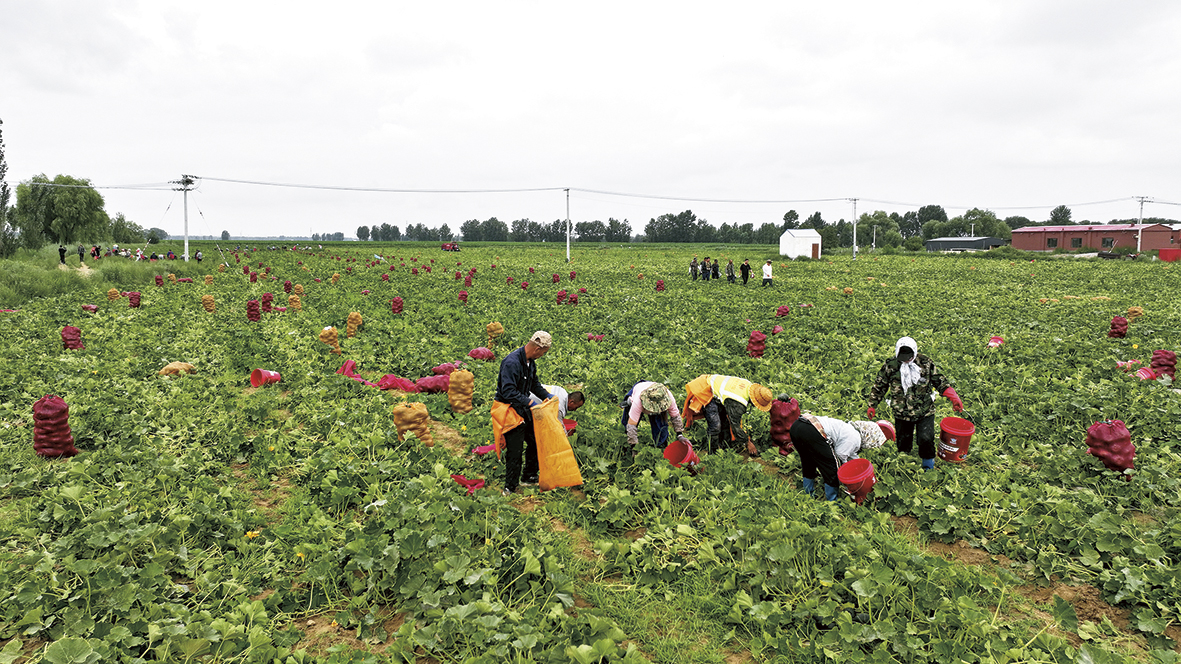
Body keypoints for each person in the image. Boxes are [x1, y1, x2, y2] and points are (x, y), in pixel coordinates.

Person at [867, 336, 963, 471]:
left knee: (926, 438)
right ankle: (903, 464)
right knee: (903, 441)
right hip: (902, 412)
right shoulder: (891, 366)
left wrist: (953, 398)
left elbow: (940, 382)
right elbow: (880, 385)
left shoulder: (925, 363)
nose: (906, 360)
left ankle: (928, 468)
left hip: (924, 410)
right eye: (903, 357)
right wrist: (872, 405)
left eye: (909, 356)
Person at [492, 331, 554, 494]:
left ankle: (529, 476)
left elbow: (534, 384)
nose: (542, 355)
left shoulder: (530, 362)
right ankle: (509, 487)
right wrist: (530, 402)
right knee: (515, 449)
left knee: (534, 441)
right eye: (544, 352)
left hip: (523, 408)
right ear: (537, 349)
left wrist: (546, 395)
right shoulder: (512, 362)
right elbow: (508, 391)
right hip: (509, 409)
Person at [790, 412, 893, 500]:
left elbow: (853, 457)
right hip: (811, 430)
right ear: (869, 438)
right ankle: (833, 500)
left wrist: (859, 471)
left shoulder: (850, 430)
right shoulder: (855, 437)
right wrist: (844, 468)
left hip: (798, 426)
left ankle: (807, 493)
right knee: (831, 466)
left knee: (808, 461)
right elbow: (840, 453)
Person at [681, 374, 773, 455]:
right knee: (715, 426)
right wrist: (747, 443)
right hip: (705, 389)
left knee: (724, 421)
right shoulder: (738, 401)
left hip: (718, 392)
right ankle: (712, 454)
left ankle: (726, 448)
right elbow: (735, 426)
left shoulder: (748, 386)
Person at [621, 381, 685, 452]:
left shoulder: (668, 398)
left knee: (660, 427)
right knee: (627, 424)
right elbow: (631, 425)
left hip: (656, 394)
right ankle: (627, 445)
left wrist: (680, 435)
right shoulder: (638, 401)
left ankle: (661, 447)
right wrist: (634, 447)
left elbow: (675, 416)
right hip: (638, 389)